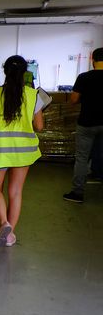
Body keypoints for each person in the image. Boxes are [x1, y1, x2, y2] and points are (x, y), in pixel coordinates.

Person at [0, 55, 44, 247]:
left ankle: (4, 223)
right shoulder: (33, 95)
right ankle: (9, 235)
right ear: (25, 73)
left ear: (4, 71)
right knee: (15, 192)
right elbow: (39, 126)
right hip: (23, 151)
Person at [63, 47, 103, 203]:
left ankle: (77, 193)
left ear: (93, 60)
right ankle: (98, 174)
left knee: (82, 158)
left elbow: (73, 100)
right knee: (100, 153)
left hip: (87, 123)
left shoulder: (84, 77)